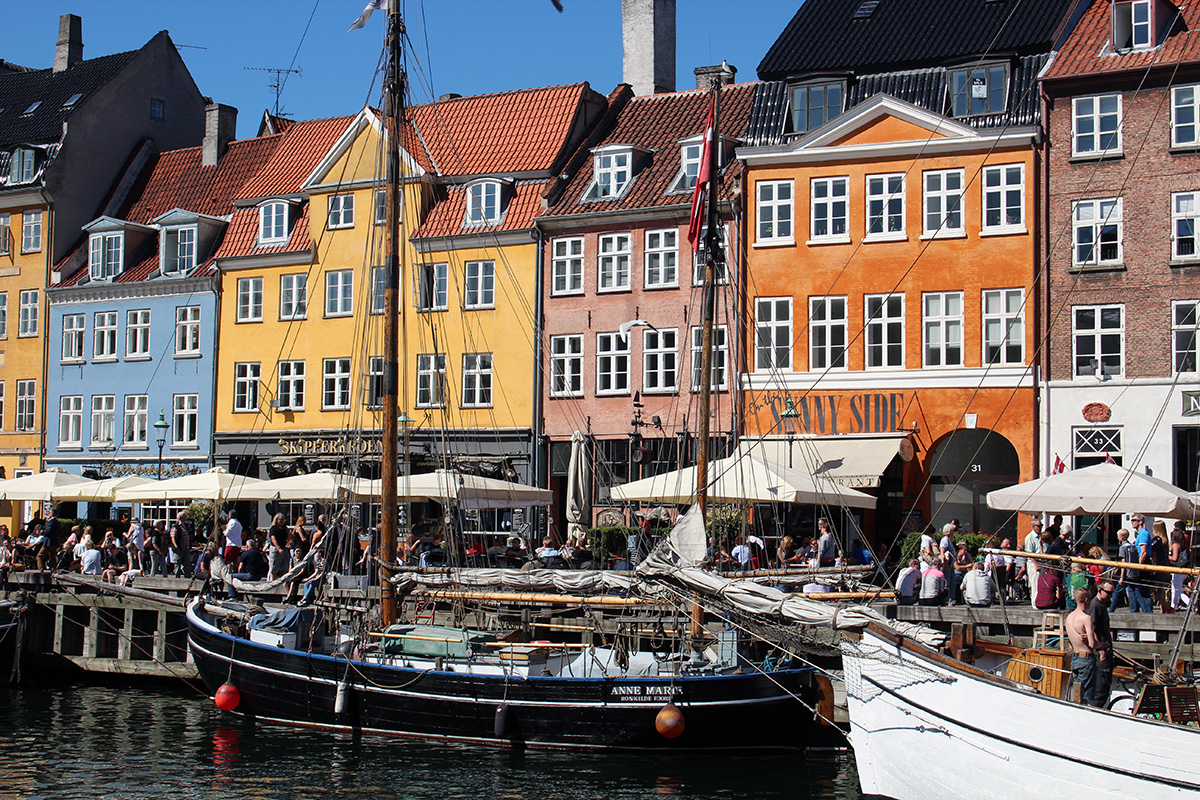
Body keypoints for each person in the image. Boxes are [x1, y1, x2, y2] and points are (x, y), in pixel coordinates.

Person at [1066, 586, 1096, 704]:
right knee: (1086, 697)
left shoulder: (1069, 617)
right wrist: (1102, 646)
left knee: (1077, 693)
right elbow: (1092, 644)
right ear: (1087, 600)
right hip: (1086, 659)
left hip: (1075, 658)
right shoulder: (1086, 618)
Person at [1024, 517, 1045, 609]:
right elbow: (1029, 553)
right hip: (1034, 563)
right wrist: (1036, 565)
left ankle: (1041, 601)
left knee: (1041, 583)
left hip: (1042, 562)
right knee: (1035, 582)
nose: (1040, 527)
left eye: (1041, 526)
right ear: (1033, 526)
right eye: (1039, 526)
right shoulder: (1030, 537)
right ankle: (1035, 603)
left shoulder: (1041, 537)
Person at [1170, 528, 1192, 610]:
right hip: (1184, 570)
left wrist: (1167, 556)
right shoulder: (1183, 545)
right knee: (1175, 589)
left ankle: (1190, 603)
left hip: (1178, 570)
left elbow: (1174, 558)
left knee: (1178, 590)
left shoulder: (1176, 545)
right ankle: (1173, 606)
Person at [267, 513, 290, 579]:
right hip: (275, 549)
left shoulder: (285, 528)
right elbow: (273, 538)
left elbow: (288, 538)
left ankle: (283, 582)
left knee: (285, 567)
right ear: (276, 520)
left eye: (283, 519)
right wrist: (278, 548)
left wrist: (287, 543)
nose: (282, 521)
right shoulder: (273, 528)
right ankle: (272, 581)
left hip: (284, 548)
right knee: (274, 567)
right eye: (280, 519)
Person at [170, 512, 193, 577]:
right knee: (177, 564)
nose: (186, 518)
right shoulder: (176, 526)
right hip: (179, 549)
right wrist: (176, 546)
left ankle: (187, 578)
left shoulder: (185, 526)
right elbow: (173, 537)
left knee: (187, 565)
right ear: (181, 517)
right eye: (185, 516)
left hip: (186, 548)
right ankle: (176, 578)